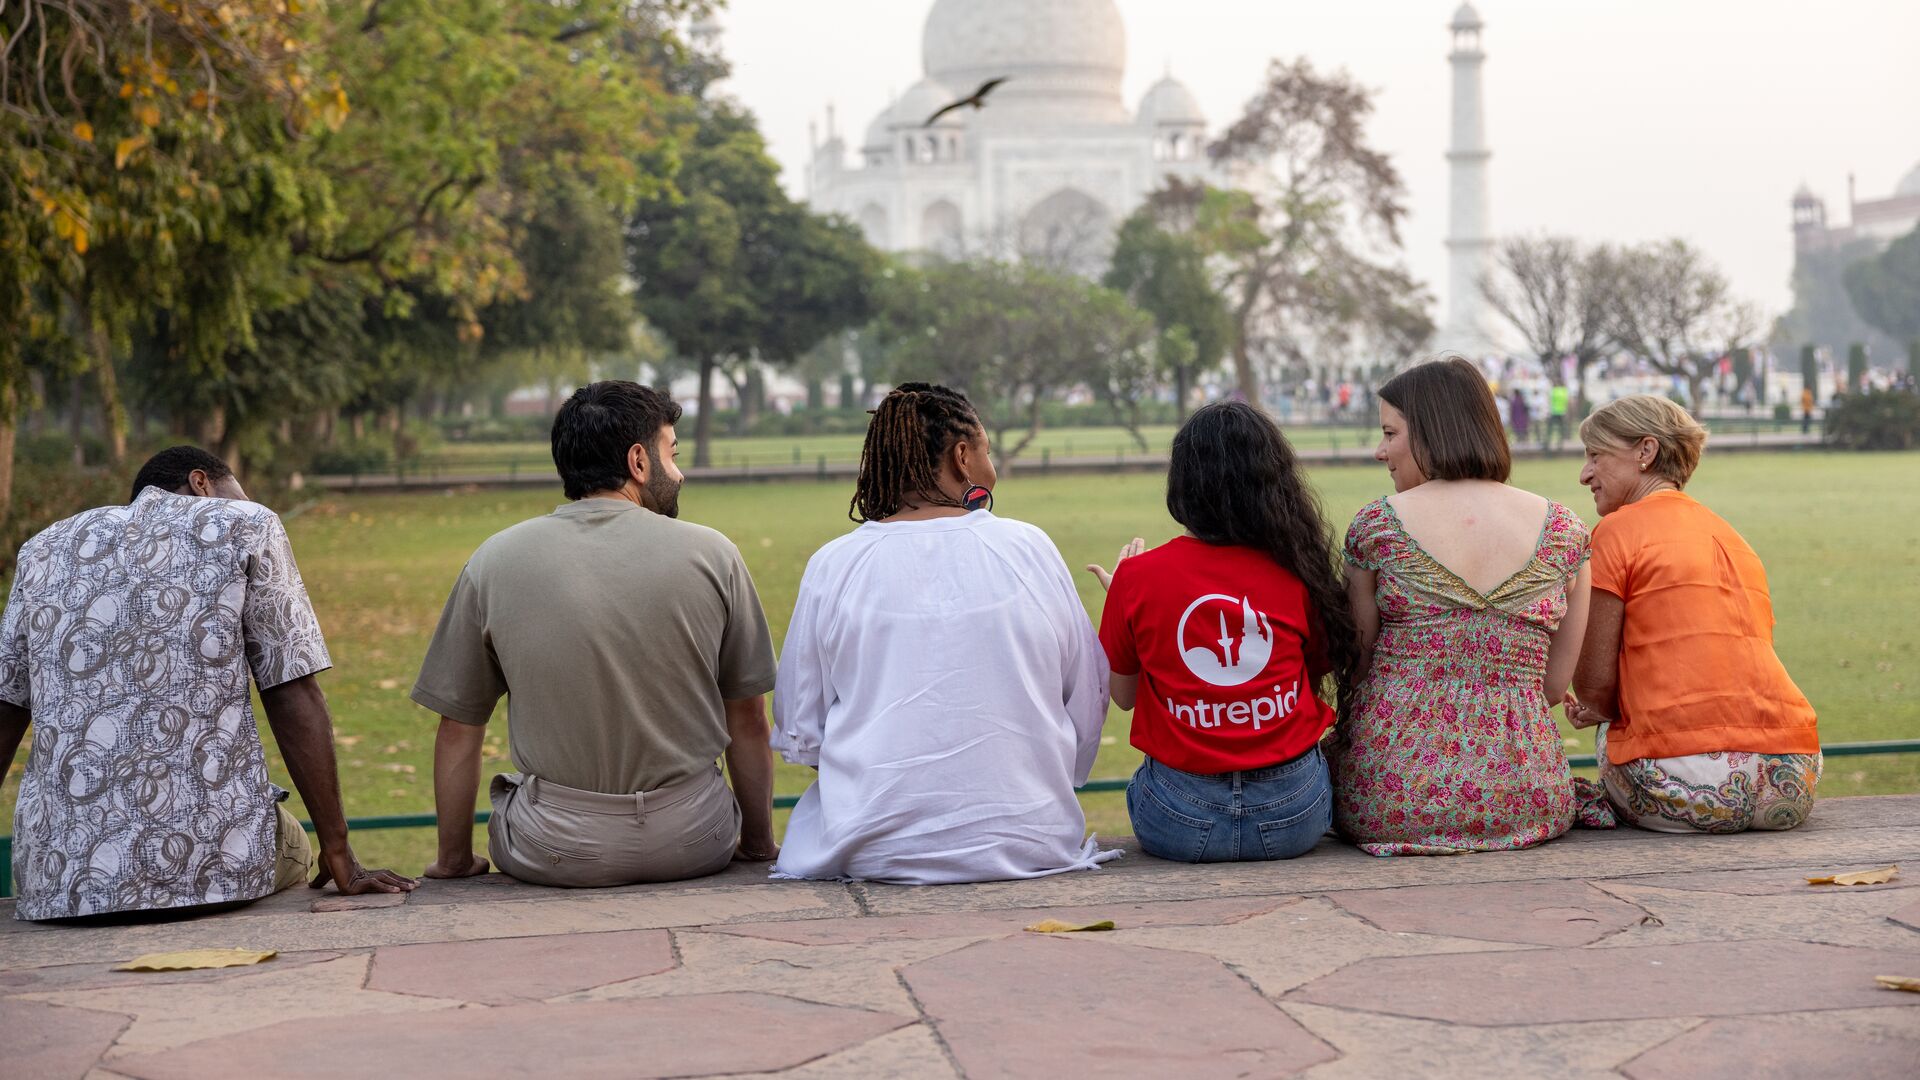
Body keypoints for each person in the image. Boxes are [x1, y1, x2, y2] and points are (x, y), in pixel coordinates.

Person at [0, 447, 414, 921]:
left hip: (61, 883)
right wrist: (339, 851)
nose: (244, 500)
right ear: (202, 483)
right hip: (211, 870)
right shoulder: (245, 522)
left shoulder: (42, 548)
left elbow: (7, 708)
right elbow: (291, 689)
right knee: (293, 841)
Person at [412, 382, 780, 887]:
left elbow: (458, 725)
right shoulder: (714, 554)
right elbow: (749, 716)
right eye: (672, 454)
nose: (680, 472)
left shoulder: (494, 559)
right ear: (638, 461)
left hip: (555, 848)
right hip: (696, 838)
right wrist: (758, 845)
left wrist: (454, 861)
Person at [771, 383, 1114, 884]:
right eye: (987, 452)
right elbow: (1087, 700)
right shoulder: (1029, 548)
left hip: (868, 848)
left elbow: (803, 732)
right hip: (1032, 841)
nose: (991, 466)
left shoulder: (835, 564)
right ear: (962, 458)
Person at [1330, 358, 1596, 855]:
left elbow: (1358, 666)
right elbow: (1555, 688)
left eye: (1390, 433)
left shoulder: (1378, 527)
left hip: (1392, 797)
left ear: (1432, 430)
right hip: (1526, 793)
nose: (1379, 451)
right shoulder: (1565, 531)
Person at [1087, 402, 1357, 863]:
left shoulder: (1137, 578)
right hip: (1295, 816)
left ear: (1182, 483)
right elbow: (1306, 676)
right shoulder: (1300, 571)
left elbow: (1125, 696)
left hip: (1176, 821)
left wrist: (1125, 599)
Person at [1566, 396, 1821, 832]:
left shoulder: (1616, 531)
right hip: (1794, 778)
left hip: (1686, 786)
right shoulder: (1731, 535)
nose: (1585, 474)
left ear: (1646, 452)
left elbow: (1592, 686)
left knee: (1611, 731)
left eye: (1596, 456)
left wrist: (1602, 708)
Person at [1546, 382, 1570, 450]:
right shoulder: (1564, 391)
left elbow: (1549, 401)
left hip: (1553, 412)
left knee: (1550, 429)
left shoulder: (1552, 391)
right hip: (1562, 412)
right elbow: (1567, 402)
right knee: (1561, 429)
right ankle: (1560, 444)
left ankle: (1548, 443)